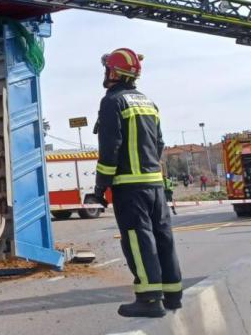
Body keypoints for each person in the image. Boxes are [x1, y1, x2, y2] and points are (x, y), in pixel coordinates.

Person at [93, 47, 182, 318]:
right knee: (162, 237)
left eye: (108, 68)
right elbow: (159, 143)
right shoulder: (148, 103)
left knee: (138, 239)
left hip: (130, 187)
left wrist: (101, 186)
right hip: (155, 183)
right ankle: (173, 294)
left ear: (114, 72)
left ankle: (148, 299)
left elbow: (111, 148)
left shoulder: (112, 102)